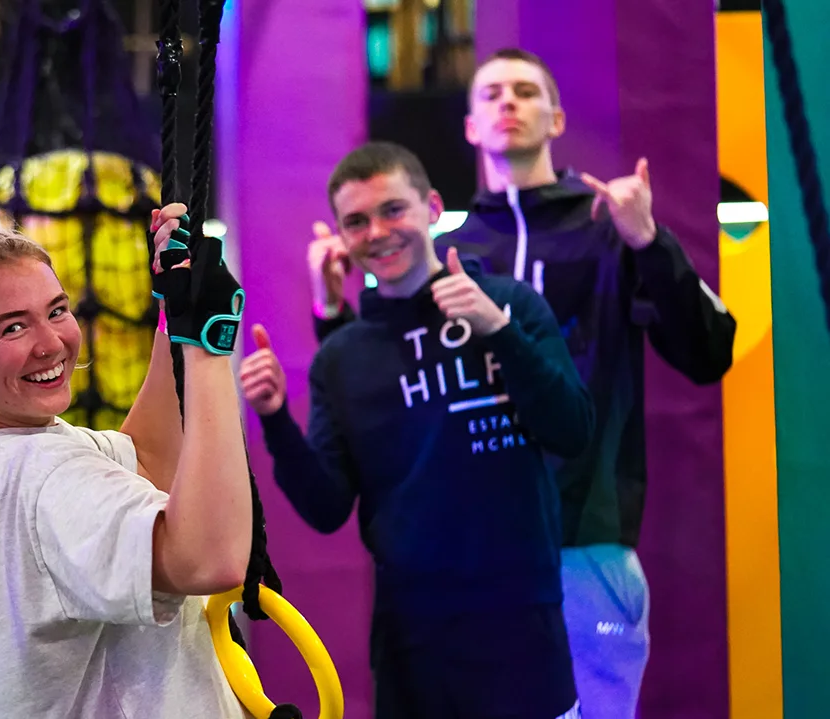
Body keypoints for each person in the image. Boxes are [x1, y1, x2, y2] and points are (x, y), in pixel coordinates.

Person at [308, 50, 737, 719]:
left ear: (557, 118)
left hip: (588, 541)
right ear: (470, 125)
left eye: (526, 91)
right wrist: (331, 314)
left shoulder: (611, 230)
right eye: (491, 93)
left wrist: (649, 241)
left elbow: (710, 352)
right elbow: (377, 401)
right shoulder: (444, 254)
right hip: (484, 568)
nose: (508, 102)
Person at [0, 203, 250, 717]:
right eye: (13, 328)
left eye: (57, 311)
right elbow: (210, 559)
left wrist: (173, 315)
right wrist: (210, 347)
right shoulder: (43, 475)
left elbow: (149, 460)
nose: (51, 344)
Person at [241, 142, 593, 718]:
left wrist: (498, 331)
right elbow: (326, 507)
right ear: (342, 236)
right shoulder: (343, 357)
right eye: (357, 221)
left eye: (393, 210)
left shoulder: (508, 304)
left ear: (431, 208)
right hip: (413, 646)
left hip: (523, 630)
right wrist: (276, 418)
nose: (378, 232)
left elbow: (572, 430)